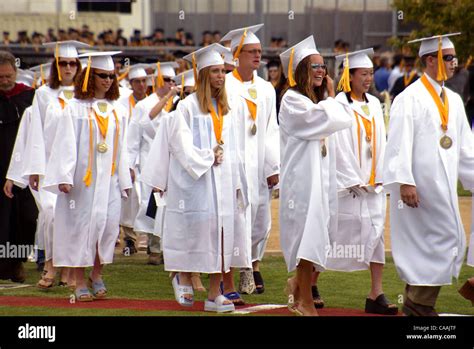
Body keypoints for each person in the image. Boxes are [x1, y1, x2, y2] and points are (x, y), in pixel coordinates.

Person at [141, 43, 246, 313]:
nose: (221, 76)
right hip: (194, 182)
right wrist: (208, 157)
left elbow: (235, 148)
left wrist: (237, 183)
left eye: (223, 71)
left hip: (221, 182)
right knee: (194, 232)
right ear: (202, 75)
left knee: (220, 234)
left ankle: (214, 294)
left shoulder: (226, 108)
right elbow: (181, 146)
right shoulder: (186, 107)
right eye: (214, 71)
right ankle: (182, 274)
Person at [383, 33, 474, 316]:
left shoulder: (455, 100)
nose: (454, 62)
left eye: (454, 57)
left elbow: (464, 149)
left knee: (449, 240)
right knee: (432, 243)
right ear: (430, 60)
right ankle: (418, 304)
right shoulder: (409, 97)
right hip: (418, 189)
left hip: (442, 188)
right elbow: (398, 142)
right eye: (448, 57)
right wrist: (405, 181)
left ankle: (417, 302)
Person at [42, 51, 132, 301]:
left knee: (106, 228)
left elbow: (122, 145)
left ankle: (97, 273)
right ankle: (78, 280)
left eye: (112, 76)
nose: (108, 81)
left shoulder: (117, 109)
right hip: (83, 181)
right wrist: (65, 175)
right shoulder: (75, 109)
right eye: (102, 76)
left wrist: (125, 177)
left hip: (110, 181)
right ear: (90, 77)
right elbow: (66, 143)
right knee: (80, 229)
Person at [278, 36, 351, 316]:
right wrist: (331, 97)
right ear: (300, 70)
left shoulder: (316, 102)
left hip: (319, 181)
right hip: (302, 183)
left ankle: (297, 286)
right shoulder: (293, 101)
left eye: (323, 66)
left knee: (318, 236)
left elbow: (343, 120)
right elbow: (327, 119)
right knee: (306, 240)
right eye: (314, 66)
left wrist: (328, 99)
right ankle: (305, 302)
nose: (321, 71)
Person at [324, 48, 397, 315]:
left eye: (370, 74)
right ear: (349, 76)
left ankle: (375, 293)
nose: (368, 79)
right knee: (332, 233)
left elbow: (382, 140)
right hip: (349, 185)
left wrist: (380, 175)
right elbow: (338, 145)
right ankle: (307, 283)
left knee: (376, 234)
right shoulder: (339, 105)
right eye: (363, 74)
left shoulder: (375, 104)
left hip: (373, 183)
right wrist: (353, 178)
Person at [21, 41, 88, 290]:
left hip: (75, 168)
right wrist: (35, 167)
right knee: (50, 215)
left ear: (79, 67)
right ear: (56, 66)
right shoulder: (43, 94)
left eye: (73, 63)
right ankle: (50, 264)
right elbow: (35, 132)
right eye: (64, 63)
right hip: (49, 166)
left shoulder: (85, 96)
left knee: (73, 217)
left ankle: (70, 270)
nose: (68, 67)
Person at [220, 24, 280, 299]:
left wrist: (272, 167)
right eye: (251, 52)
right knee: (237, 217)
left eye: (259, 51)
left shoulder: (266, 89)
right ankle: (238, 269)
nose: (257, 56)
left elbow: (271, 129)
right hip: (235, 163)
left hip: (258, 163)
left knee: (260, 219)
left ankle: (253, 264)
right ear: (236, 54)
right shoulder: (225, 85)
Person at [127, 61, 178, 265]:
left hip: (172, 161)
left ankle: (169, 247)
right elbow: (133, 138)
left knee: (171, 203)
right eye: (166, 79)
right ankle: (155, 247)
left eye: (173, 80)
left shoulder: (176, 103)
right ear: (157, 80)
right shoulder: (144, 105)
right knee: (153, 204)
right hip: (150, 160)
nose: (170, 83)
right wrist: (130, 164)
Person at [1, 50, 38, 283]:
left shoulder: (29, 97)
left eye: (8, 76)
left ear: (16, 73)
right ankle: (4, 266)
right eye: (0, 77)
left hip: (23, 168)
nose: (5, 81)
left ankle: (17, 262)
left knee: (25, 217)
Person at [117, 64, 151, 256]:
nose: (141, 85)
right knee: (129, 198)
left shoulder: (150, 103)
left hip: (146, 156)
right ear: (131, 84)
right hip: (127, 155)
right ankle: (129, 238)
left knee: (145, 198)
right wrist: (127, 162)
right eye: (137, 81)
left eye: (144, 81)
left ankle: (150, 240)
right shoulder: (122, 103)